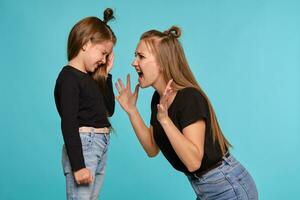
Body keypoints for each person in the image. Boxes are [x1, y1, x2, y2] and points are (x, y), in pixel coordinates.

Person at [115, 26, 258, 200]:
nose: (134, 62)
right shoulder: (158, 99)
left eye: (141, 56)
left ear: (161, 62)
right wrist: (132, 111)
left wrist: (165, 121)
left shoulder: (189, 97)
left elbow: (193, 162)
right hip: (204, 187)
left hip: (227, 185)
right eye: (135, 55)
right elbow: (152, 149)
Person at [54, 8, 116, 200]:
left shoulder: (91, 77)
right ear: (87, 43)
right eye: (103, 53)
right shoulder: (69, 78)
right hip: (84, 145)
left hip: (99, 145)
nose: (103, 60)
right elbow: (69, 122)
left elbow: (109, 110)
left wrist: (105, 75)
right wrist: (79, 166)